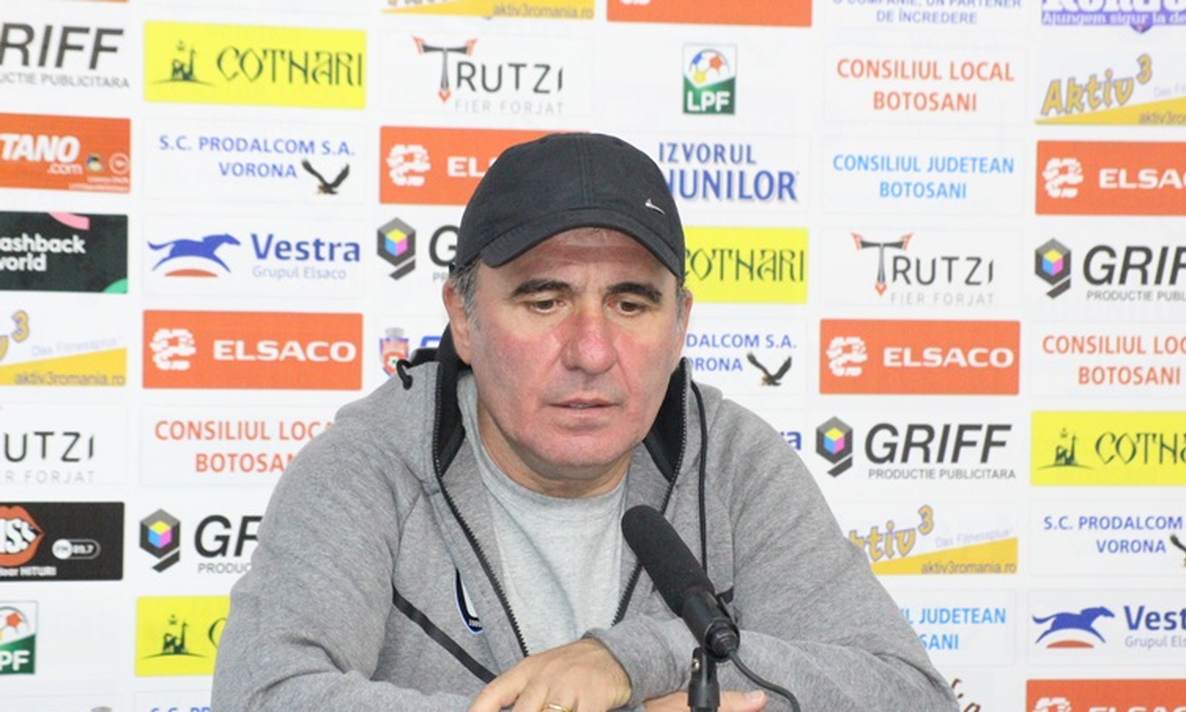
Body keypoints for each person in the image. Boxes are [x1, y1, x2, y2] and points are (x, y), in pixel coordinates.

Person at [211, 132, 959, 712]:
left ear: (680, 325)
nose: (592, 352)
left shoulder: (733, 462)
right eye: (545, 301)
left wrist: (637, 659)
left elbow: (909, 695)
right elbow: (263, 695)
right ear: (463, 320)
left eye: (631, 304)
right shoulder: (371, 464)